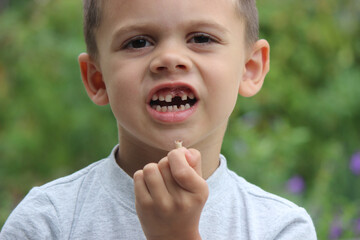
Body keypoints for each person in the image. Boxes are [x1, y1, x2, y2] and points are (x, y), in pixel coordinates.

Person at [0, 0, 317, 239]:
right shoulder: (48, 222)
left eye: (201, 38)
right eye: (138, 42)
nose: (170, 59)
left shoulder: (279, 228)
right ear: (97, 80)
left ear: (250, 68)